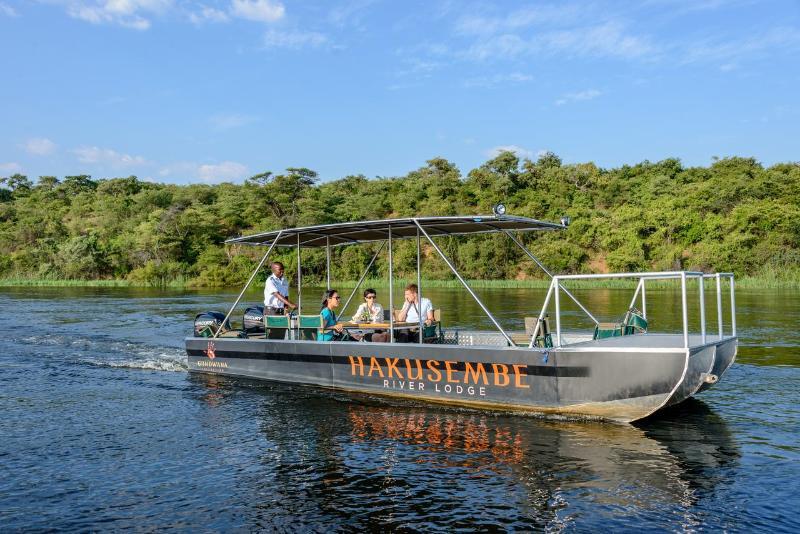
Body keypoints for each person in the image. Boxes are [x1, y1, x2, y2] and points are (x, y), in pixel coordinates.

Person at [264, 261, 296, 339]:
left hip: (281, 311)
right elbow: (277, 295)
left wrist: (286, 308)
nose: (282, 272)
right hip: (271, 311)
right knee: (273, 335)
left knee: (281, 334)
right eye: (280, 270)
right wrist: (290, 304)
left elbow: (286, 296)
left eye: (283, 270)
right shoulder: (270, 280)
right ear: (274, 270)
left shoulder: (284, 281)